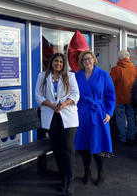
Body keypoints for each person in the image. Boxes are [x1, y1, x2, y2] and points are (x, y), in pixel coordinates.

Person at [35, 52, 80, 195]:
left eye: (61, 62)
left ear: (63, 64)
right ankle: (63, 177)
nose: (58, 64)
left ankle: (70, 180)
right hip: (51, 115)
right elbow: (38, 95)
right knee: (57, 148)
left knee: (68, 148)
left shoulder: (70, 76)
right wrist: (50, 105)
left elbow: (76, 94)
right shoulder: (42, 76)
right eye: (56, 61)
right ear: (51, 62)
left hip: (68, 117)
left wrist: (64, 104)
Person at [75, 50, 116, 187]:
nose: (87, 61)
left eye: (89, 58)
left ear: (94, 59)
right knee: (83, 146)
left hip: (98, 113)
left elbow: (110, 95)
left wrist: (109, 113)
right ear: (81, 62)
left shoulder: (103, 74)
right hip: (81, 113)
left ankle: (101, 171)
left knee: (98, 145)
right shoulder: (77, 76)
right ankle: (87, 171)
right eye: (84, 59)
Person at [110, 50, 137, 145]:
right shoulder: (135, 69)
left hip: (119, 98)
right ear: (128, 58)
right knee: (131, 117)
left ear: (119, 58)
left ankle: (122, 137)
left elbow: (110, 85)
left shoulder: (115, 69)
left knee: (120, 118)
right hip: (131, 98)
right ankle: (131, 136)